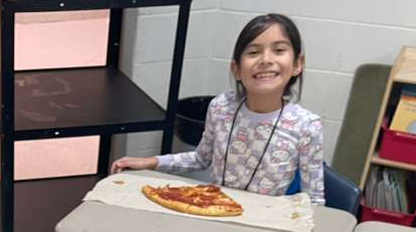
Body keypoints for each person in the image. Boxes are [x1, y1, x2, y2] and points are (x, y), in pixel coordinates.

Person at [112, 13, 325, 205]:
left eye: (279, 50)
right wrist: (150, 161)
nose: (266, 60)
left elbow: (314, 199)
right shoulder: (221, 107)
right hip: (213, 208)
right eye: (253, 52)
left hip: (263, 225)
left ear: (298, 64)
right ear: (237, 69)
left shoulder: (307, 125)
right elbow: (200, 159)